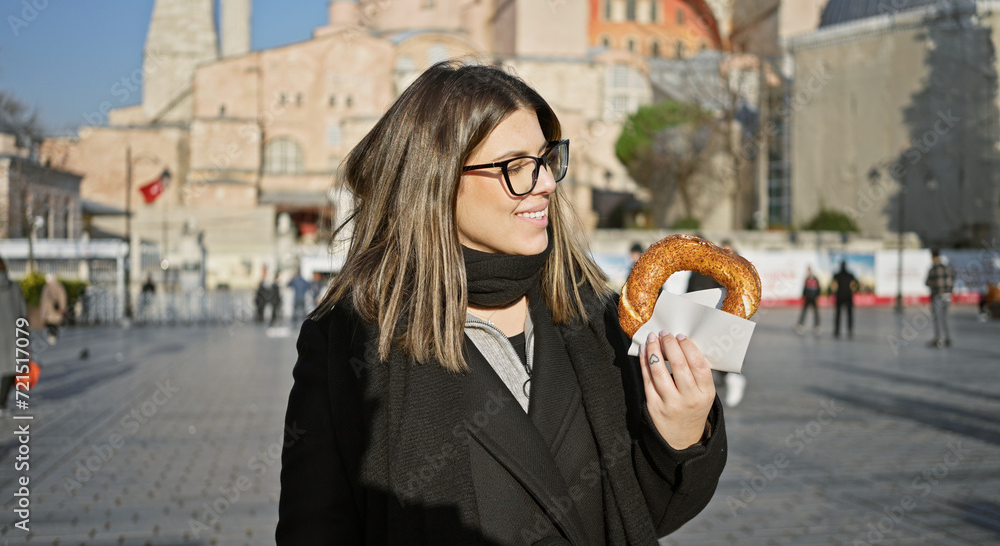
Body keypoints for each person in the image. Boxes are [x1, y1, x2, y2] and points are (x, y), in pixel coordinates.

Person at [277, 62, 726, 544]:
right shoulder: (350, 338)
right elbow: (316, 528)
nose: (547, 183)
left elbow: (641, 513)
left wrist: (681, 434)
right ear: (438, 179)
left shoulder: (595, 313)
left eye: (545, 158)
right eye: (514, 167)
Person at [685, 240, 747, 408]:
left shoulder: (719, 268)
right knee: (704, 354)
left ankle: (733, 378)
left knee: (717, 351)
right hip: (698, 314)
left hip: (714, 315)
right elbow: (690, 290)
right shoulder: (696, 268)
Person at [0, 258, 29, 417]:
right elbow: (23, 312)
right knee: (11, 368)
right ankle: (1, 402)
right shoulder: (14, 287)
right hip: (13, 335)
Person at [925, 249, 954, 348]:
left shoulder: (933, 269)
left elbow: (927, 282)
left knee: (937, 318)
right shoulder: (947, 268)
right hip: (947, 296)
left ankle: (938, 339)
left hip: (937, 296)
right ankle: (947, 338)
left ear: (933, 256)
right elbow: (953, 279)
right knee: (944, 318)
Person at [830, 261, 858, 338]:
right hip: (848, 296)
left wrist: (832, 292)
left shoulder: (837, 275)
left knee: (838, 315)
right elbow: (856, 284)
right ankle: (849, 331)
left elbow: (832, 285)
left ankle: (837, 331)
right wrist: (853, 290)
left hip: (840, 297)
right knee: (849, 315)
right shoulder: (850, 275)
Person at [39, 273, 67, 345]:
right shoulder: (46, 287)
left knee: (54, 323)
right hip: (48, 310)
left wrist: (62, 306)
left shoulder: (58, 287)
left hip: (55, 309)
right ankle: (52, 335)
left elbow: (62, 298)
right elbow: (43, 299)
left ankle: (53, 335)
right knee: (49, 323)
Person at [796, 266, 822, 334]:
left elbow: (818, 288)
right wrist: (804, 296)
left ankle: (817, 326)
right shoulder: (807, 279)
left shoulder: (815, 279)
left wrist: (817, 296)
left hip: (813, 298)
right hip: (808, 298)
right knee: (804, 312)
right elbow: (804, 288)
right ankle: (800, 325)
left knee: (815, 312)